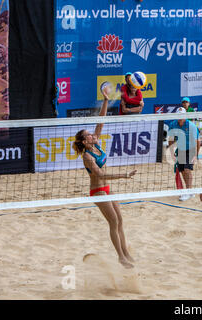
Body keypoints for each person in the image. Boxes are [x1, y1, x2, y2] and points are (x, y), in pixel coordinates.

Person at [72, 91, 137, 269]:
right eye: (89, 135)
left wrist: (106, 101)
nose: (92, 135)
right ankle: (120, 257)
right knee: (113, 222)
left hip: (107, 188)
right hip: (97, 191)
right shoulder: (87, 156)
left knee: (120, 220)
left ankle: (126, 252)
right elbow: (100, 175)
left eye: (91, 134)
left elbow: (101, 121)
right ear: (85, 142)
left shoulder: (97, 143)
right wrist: (124, 175)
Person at [167, 107, 201, 201]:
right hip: (181, 149)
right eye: (179, 114)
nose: (180, 117)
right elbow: (170, 139)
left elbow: (197, 141)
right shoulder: (173, 124)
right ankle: (189, 190)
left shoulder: (191, 126)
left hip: (191, 149)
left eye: (182, 115)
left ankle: (187, 191)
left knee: (187, 170)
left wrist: (196, 155)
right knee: (182, 171)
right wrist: (172, 153)